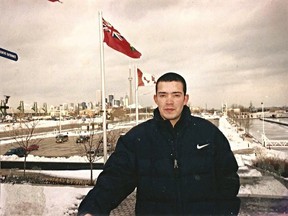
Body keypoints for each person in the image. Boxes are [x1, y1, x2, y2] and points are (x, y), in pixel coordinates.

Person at [78, 72, 240, 216]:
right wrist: (92, 209)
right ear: (155, 99)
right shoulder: (137, 138)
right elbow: (115, 179)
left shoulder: (208, 133)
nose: (169, 101)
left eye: (176, 95)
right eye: (163, 95)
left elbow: (228, 180)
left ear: (185, 99)